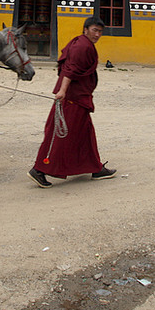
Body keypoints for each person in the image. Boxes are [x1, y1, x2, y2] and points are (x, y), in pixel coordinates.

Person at [28, 16, 116, 188]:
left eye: (100, 32)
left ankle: (95, 168)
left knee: (85, 133)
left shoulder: (81, 43)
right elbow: (71, 69)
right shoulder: (82, 46)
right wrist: (62, 90)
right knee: (62, 135)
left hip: (78, 97)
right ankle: (39, 170)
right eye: (94, 30)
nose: (97, 34)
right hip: (72, 99)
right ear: (85, 29)